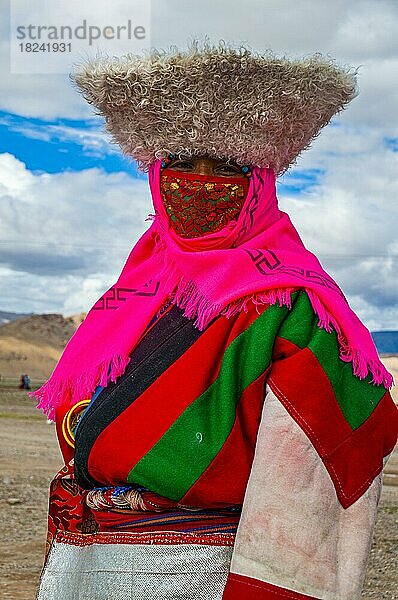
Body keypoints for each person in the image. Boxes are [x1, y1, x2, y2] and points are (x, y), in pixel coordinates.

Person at [31, 40, 397, 600]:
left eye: (227, 167)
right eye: (180, 163)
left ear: (260, 183)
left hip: (205, 576)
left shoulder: (296, 309)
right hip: (89, 566)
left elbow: (305, 494)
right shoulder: (135, 294)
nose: (200, 184)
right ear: (155, 174)